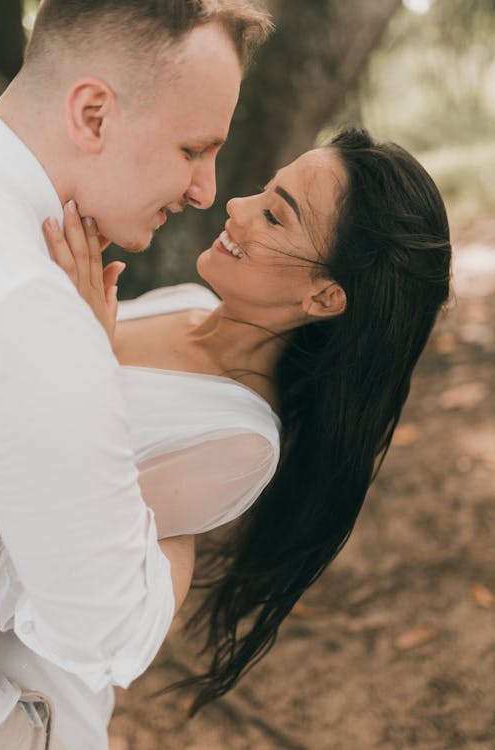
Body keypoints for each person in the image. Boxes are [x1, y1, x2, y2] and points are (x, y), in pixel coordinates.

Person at [45, 127, 452, 715]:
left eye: (275, 218)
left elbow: (58, 513)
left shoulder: (240, 443)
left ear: (324, 298)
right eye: (264, 192)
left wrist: (80, 349)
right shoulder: (188, 300)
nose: (235, 207)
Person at [0, 1, 271, 749]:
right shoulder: (34, 307)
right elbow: (111, 629)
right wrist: (179, 534)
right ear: (92, 114)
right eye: (193, 148)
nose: (207, 191)